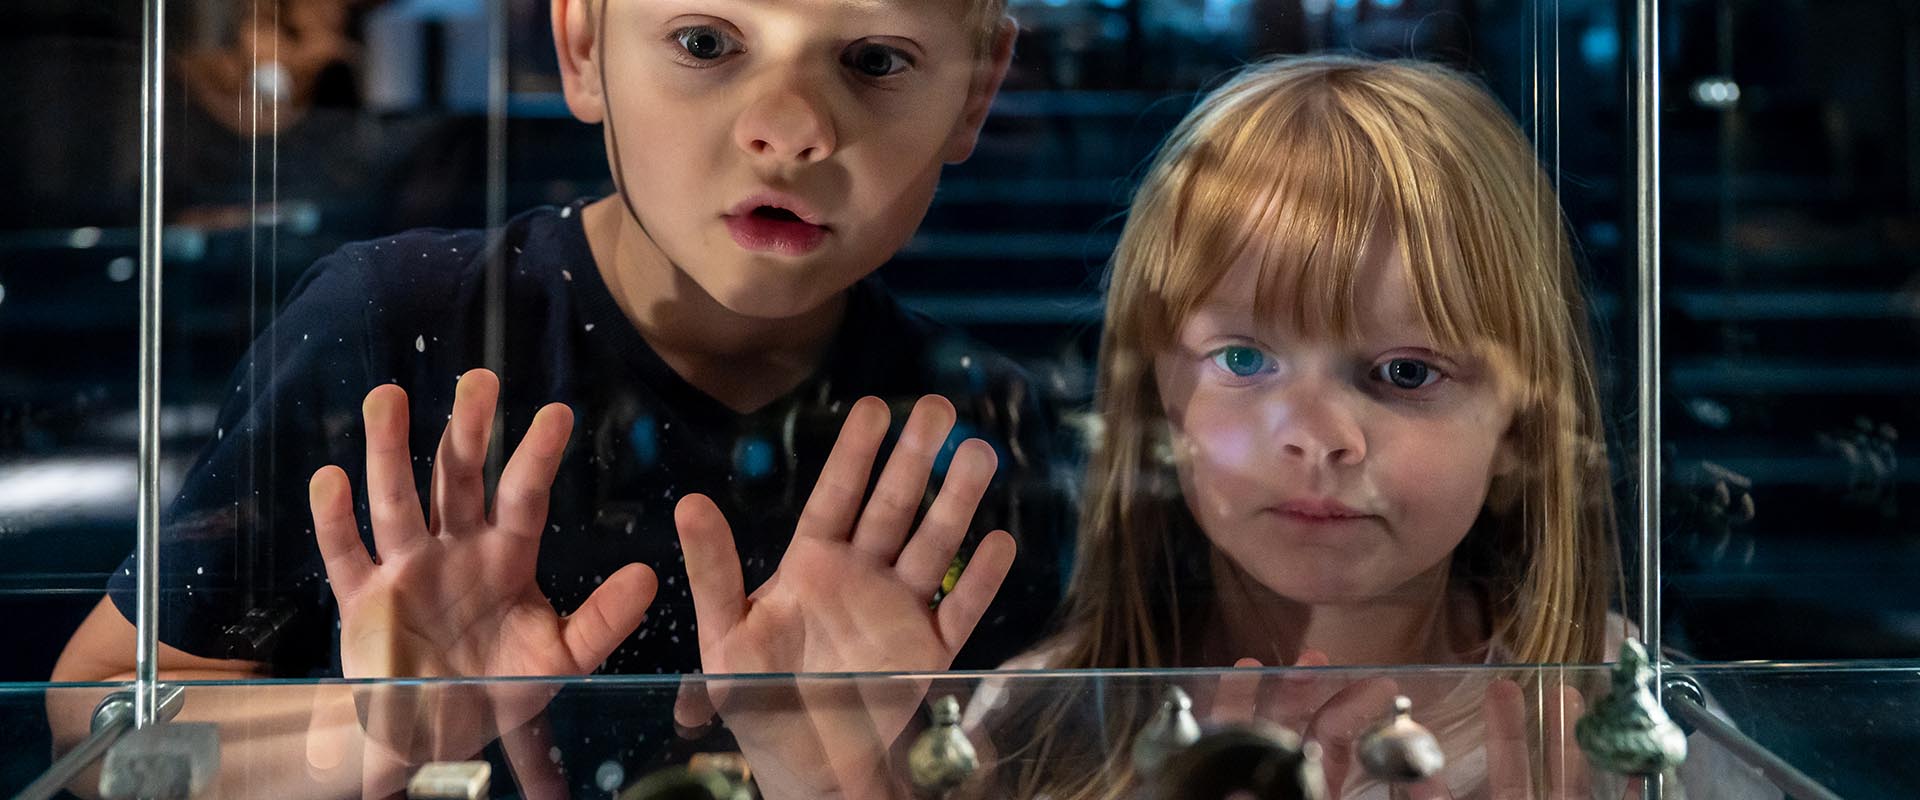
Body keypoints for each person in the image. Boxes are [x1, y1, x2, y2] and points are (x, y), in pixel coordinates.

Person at [50, 0, 1065, 795]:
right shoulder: (393, 324)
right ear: (583, 47)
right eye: (706, 42)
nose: (791, 130)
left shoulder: (983, 427)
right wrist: (360, 731)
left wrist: (848, 784)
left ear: (976, 92)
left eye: (876, 59)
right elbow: (94, 722)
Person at [956, 56, 1774, 799]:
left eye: (1406, 372)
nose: (1318, 438)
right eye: (1243, 359)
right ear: (1159, 401)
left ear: (1520, 428)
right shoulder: (1040, 721)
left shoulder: (1630, 714)